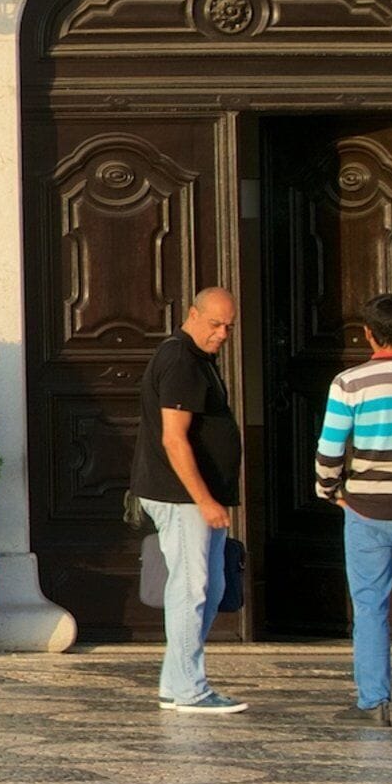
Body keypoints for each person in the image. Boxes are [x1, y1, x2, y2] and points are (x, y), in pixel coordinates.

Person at [136, 286, 248, 714]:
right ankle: (189, 689)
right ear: (192, 314)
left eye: (229, 327)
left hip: (198, 497)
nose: (222, 334)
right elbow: (174, 439)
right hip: (181, 496)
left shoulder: (199, 359)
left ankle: (175, 681)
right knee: (191, 588)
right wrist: (204, 499)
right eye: (215, 324)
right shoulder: (181, 360)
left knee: (211, 586)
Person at [316, 292, 392, 726]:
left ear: (368, 334)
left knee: (370, 607)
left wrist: (330, 491)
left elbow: (330, 449)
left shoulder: (349, 383)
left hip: (367, 509)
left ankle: (374, 702)